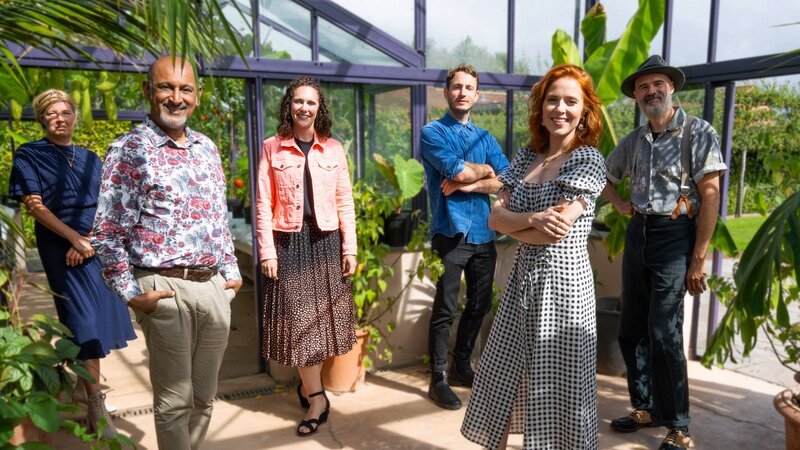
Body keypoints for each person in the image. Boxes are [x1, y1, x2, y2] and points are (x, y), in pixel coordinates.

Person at [92, 56, 242, 450]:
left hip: (212, 288)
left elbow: (217, 216)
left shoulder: (206, 148)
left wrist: (230, 271)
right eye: (166, 87)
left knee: (204, 398)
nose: (176, 98)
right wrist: (132, 293)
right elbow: (107, 233)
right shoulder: (130, 149)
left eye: (185, 89)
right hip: (163, 289)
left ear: (197, 96)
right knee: (175, 402)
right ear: (148, 91)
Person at [461, 64, 606, 449]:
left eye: (571, 101)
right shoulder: (527, 158)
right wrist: (530, 220)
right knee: (502, 372)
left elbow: (555, 229)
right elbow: (494, 218)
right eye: (552, 100)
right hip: (521, 284)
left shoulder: (588, 160)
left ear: (585, 111)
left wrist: (518, 223)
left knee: (558, 387)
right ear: (540, 109)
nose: (560, 108)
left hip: (565, 291)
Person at [602, 55, 727, 450]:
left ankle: (679, 426)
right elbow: (603, 175)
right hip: (638, 230)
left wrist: (698, 257)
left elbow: (710, 195)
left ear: (671, 87)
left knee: (664, 331)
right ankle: (645, 407)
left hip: (675, 234)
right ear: (637, 96)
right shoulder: (634, 140)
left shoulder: (697, 132)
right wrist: (621, 206)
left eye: (657, 84)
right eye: (643, 87)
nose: (650, 91)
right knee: (631, 327)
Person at [8, 89, 136, 439]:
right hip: (58, 245)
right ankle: (96, 405)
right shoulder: (29, 153)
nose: (60, 118)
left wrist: (88, 240)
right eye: (51, 114)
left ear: (75, 116)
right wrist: (72, 238)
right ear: (42, 119)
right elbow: (34, 205)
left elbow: (108, 202)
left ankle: (85, 386)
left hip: (93, 245)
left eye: (65, 112)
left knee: (100, 318)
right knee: (82, 321)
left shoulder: (91, 158)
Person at [255, 76, 356, 437]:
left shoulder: (333, 148)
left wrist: (350, 248)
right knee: (300, 326)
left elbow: (345, 200)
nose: (304, 108)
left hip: (327, 241)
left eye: (311, 102)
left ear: (319, 108)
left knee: (326, 324)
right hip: (289, 243)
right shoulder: (272, 147)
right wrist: (267, 251)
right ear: (289, 105)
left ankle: (308, 387)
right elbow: (263, 204)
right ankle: (317, 398)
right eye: (298, 101)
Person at [420, 64, 510, 410]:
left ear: (476, 95)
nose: (462, 92)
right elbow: (455, 169)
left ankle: (461, 365)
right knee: (445, 307)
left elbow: (508, 178)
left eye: (469, 87)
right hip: (450, 232)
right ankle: (438, 378)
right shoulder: (433, 133)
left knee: (480, 304)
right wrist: (483, 170)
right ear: (447, 92)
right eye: (456, 87)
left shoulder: (486, 138)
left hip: (484, 231)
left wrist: (473, 183)